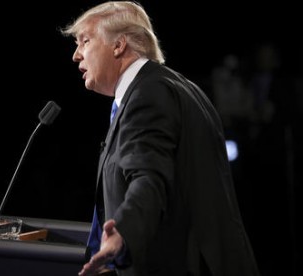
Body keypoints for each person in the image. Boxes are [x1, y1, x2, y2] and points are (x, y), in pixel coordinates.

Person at [61, 1, 261, 276]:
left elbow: (149, 177)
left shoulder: (148, 95)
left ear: (118, 45)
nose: (76, 55)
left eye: (84, 40)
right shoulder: (172, 86)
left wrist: (123, 235)